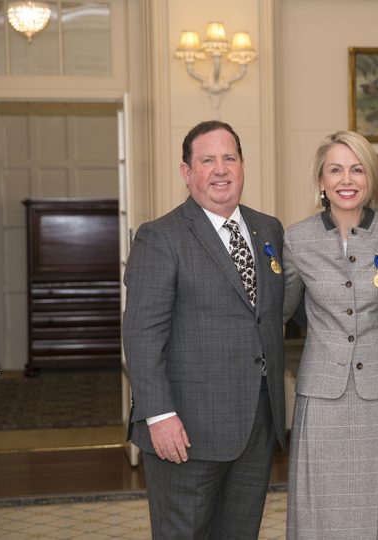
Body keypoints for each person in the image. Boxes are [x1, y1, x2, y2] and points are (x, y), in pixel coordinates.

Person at [122, 120, 286, 539]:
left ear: (243, 165)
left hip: (255, 426)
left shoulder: (268, 229)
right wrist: (159, 416)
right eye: (207, 160)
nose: (220, 169)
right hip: (185, 431)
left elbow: (270, 314)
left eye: (229, 157)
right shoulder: (160, 237)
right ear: (186, 172)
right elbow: (142, 336)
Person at [282, 130, 378, 539]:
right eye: (336, 170)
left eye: (357, 169)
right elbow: (274, 315)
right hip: (322, 396)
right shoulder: (296, 239)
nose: (347, 180)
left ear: (371, 178)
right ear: (321, 181)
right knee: (320, 514)